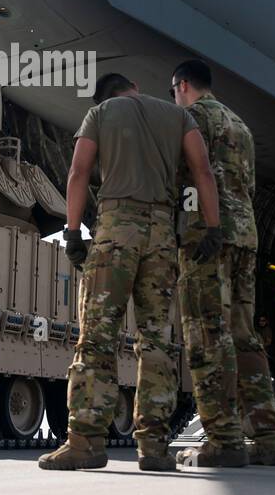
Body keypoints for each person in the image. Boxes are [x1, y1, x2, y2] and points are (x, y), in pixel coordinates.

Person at [38, 73, 221, 472]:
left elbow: (78, 172)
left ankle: (85, 442)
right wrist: (213, 227)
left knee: (98, 336)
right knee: (156, 341)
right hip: (161, 236)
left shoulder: (102, 113)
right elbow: (203, 171)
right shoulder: (177, 116)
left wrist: (72, 233)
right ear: (134, 87)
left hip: (116, 230)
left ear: (104, 97)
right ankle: (154, 447)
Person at [171, 59, 275, 467]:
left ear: (182, 85)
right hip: (246, 236)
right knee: (243, 335)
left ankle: (223, 439)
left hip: (207, 236)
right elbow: (249, 185)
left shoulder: (189, 118)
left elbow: (182, 176)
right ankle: (269, 437)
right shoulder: (240, 126)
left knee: (207, 336)